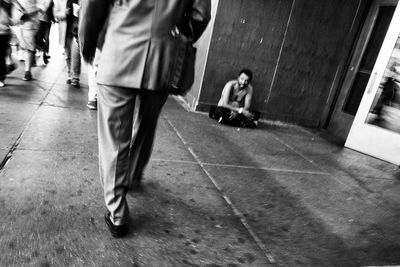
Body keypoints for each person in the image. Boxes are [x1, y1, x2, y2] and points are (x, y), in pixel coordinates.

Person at [79, 0, 211, 237]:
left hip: (119, 51)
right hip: (163, 57)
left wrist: (88, 45)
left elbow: (92, 7)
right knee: (147, 123)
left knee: (114, 136)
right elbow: (201, 15)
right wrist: (177, 31)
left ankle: (117, 212)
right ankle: (132, 175)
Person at [0, 0, 12, 87]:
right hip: (3, 32)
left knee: (1, 55)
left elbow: (7, 20)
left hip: (3, 33)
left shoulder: (5, 3)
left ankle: (1, 77)